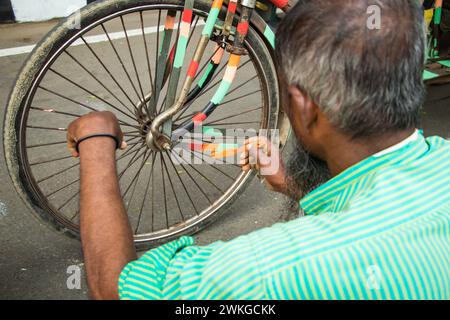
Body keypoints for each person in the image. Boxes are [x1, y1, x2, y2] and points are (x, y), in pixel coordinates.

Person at [67, 0, 450, 300]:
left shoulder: (273, 271)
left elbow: (115, 289)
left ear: (303, 106)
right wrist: (291, 183)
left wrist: (96, 143)